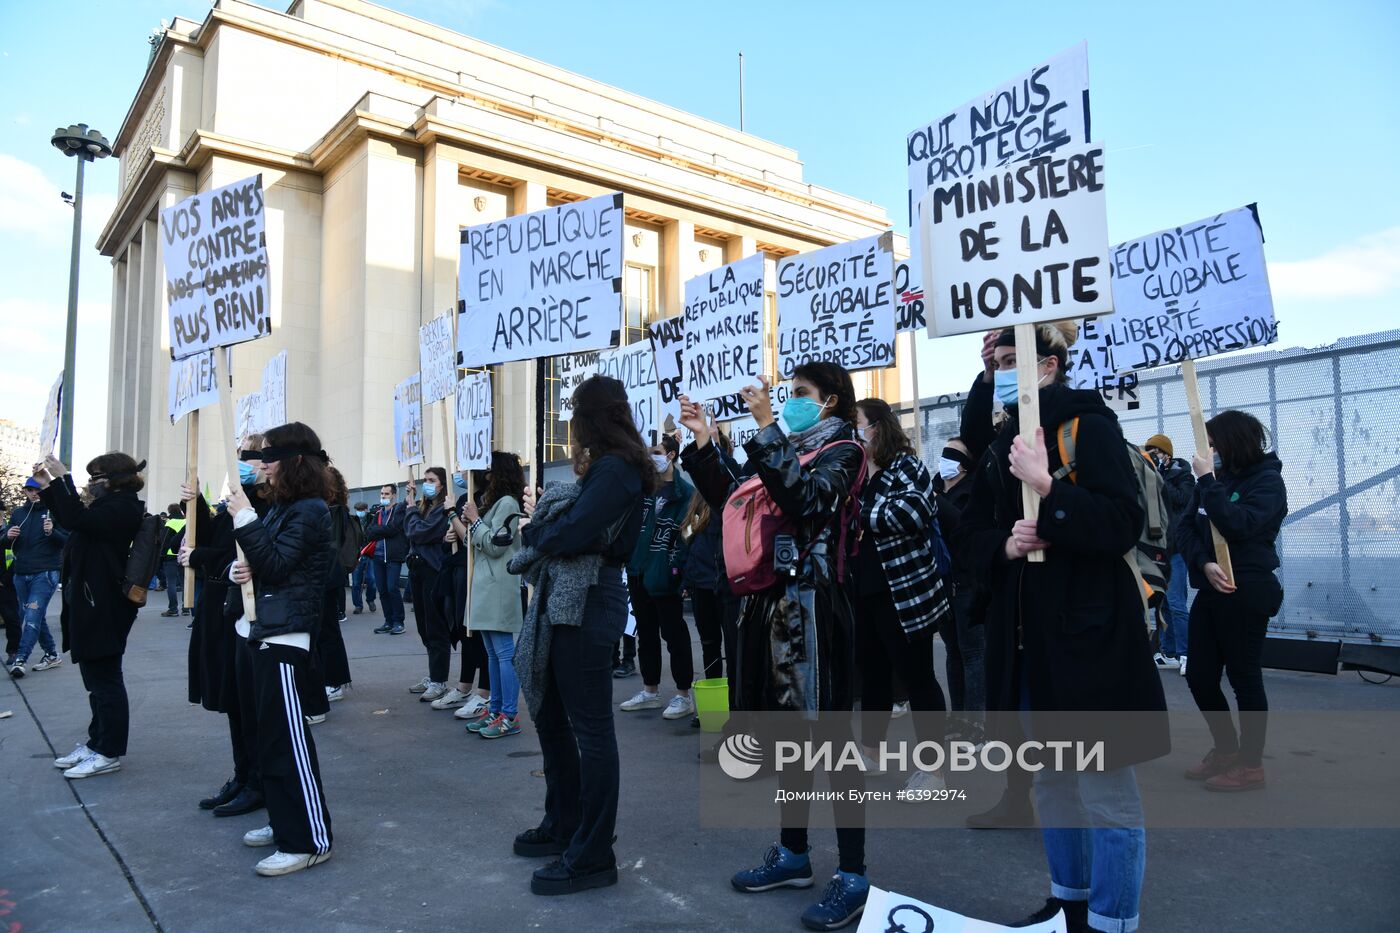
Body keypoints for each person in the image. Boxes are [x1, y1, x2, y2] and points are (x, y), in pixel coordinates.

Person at [957, 322, 1169, 933]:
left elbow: (1121, 524)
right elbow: (968, 534)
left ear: (1047, 366)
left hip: (1088, 644)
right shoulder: (1001, 445)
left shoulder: (1087, 426)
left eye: (1005, 361)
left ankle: (1112, 919)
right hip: (1026, 647)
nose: (995, 373)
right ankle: (1068, 903)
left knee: (1105, 793)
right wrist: (1006, 544)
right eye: (991, 362)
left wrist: (1048, 489)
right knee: (1051, 781)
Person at [680, 362, 872, 932]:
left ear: (832, 401)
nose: (789, 404)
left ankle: (854, 875)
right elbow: (736, 503)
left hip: (817, 610)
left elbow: (808, 500)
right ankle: (793, 854)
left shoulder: (846, 452)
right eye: (787, 397)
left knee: (831, 743)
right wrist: (705, 443)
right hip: (772, 607)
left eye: (800, 396)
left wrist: (766, 428)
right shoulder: (786, 449)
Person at [510, 374, 647, 897]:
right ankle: (565, 823)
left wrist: (534, 533)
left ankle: (592, 853)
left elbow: (575, 533)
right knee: (552, 716)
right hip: (575, 598)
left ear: (589, 419)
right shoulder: (609, 467)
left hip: (591, 600)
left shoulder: (617, 468)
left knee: (589, 730)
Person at [227, 421, 335, 877]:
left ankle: (309, 838)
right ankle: (284, 818)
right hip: (264, 630)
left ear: (293, 462)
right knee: (268, 739)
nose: (260, 465)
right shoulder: (284, 507)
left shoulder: (310, 509)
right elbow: (266, 564)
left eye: (269, 458)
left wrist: (244, 518)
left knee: (286, 742)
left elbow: (275, 563)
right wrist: (241, 569)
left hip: (285, 636)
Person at [1178, 410, 1287, 793]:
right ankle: (1225, 748)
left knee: (1244, 677)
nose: (1208, 450)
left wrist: (1207, 479)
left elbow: (1238, 523)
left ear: (1232, 442)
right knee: (1199, 675)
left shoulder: (1267, 482)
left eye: (1212, 443)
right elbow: (1185, 528)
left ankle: (1251, 765)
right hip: (1212, 590)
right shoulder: (1214, 481)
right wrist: (1204, 563)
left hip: (1247, 591)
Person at [852, 397, 952, 798]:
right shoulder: (854, 472)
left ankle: (935, 771)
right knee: (873, 678)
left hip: (904, 593)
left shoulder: (905, 465)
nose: (852, 432)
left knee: (918, 679)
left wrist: (858, 515)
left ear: (876, 426)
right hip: (863, 592)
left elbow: (912, 513)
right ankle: (872, 755)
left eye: (856, 423)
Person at [33, 452, 145, 780]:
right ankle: (97, 742)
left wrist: (61, 479)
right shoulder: (111, 505)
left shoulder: (123, 507)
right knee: (95, 679)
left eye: (96, 478)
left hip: (105, 604)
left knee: (105, 679)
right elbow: (73, 519)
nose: (92, 484)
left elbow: (75, 519)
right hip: (91, 601)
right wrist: (50, 485)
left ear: (116, 479)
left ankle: (108, 751)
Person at [619, 434, 696, 721]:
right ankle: (650, 691)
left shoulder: (684, 493)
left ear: (672, 455)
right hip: (639, 571)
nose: (652, 456)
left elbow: (688, 533)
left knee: (674, 635)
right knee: (646, 635)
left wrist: (675, 567)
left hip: (664, 576)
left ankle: (683, 695)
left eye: (657, 451)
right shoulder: (644, 490)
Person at [449, 451, 525, 738]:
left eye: (488, 470)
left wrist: (476, 520)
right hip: (485, 584)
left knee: (503, 652)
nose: (483, 475)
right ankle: (496, 710)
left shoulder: (507, 503)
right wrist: (469, 526)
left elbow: (495, 544)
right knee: (492, 653)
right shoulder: (494, 503)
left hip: (498, 585)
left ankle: (509, 714)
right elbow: (476, 541)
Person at [681, 431, 741, 709]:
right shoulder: (697, 499)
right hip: (701, 582)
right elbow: (688, 536)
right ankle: (713, 703)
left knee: (732, 645)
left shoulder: (731, 493)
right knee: (708, 644)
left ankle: (734, 703)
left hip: (722, 581)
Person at [933, 437, 987, 734]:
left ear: (966, 465)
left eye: (952, 454)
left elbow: (965, 530)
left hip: (967, 583)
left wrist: (936, 501)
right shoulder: (937, 491)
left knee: (972, 652)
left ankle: (977, 721)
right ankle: (959, 715)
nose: (944, 460)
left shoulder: (974, 493)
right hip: (943, 583)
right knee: (954, 652)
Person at [432, 472, 493, 718]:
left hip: (477, 572)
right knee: (463, 629)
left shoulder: (486, 500)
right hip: (457, 571)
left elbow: (470, 538)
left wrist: (453, 517)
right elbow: (456, 536)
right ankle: (464, 687)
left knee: (479, 634)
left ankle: (485, 693)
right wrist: (449, 535)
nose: (460, 474)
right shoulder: (464, 499)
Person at [4, 477, 69, 676]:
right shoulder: (18, 513)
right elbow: (5, 544)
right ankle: (51, 654)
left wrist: (52, 532)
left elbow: (68, 541)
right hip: (21, 573)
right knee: (36, 616)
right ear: (25, 491)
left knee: (31, 616)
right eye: (30, 490)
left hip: (46, 572)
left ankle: (21, 659)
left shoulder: (54, 512)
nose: (34, 493)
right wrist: (8, 536)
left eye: (38, 490)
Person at [1143, 434, 1195, 673]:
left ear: (1168, 454)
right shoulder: (1152, 474)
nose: (1155, 455)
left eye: (1158, 451)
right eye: (1151, 451)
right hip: (1158, 550)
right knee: (1162, 604)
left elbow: (1184, 500)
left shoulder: (1183, 474)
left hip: (1177, 548)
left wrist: (1161, 479)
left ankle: (1186, 653)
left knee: (1176, 602)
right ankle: (1169, 652)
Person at [405, 467, 452, 701]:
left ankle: (439, 680)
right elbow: (412, 531)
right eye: (425, 480)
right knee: (424, 626)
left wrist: (411, 508)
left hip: (433, 570)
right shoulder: (426, 507)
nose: (427, 484)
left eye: (432, 480)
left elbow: (418, 532)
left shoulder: (443, 509)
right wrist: (413, 505)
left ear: (443, 484)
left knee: (435, 627)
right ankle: (434, 675)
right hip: (418, 569)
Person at [319, 467, 355, 705]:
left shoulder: (333, 512)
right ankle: (331, 679)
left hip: (326, 577)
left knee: (327, 631)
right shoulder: (333, 510)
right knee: (326, 630)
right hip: (327, 576)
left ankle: (333, 681)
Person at [367, 484, 407, 636]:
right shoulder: (378, 513)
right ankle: (388, 621)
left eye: (386, 493)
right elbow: (369, 532)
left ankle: (399, 622)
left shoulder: (398, 510)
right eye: (382, 493)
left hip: (392, 556)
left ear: (394, 495)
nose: (383, 496)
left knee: (392, 588)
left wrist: (379, 531)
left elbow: (393, 529)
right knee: (382, 590)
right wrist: (382, 531)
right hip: (377, 556)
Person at [349, 501, 378, 615]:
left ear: (366, 509)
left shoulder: (372, 519)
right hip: (357, 554)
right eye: (358, 510)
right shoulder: (353, 521)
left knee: (371, 580)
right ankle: (358, 605)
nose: (360, 512)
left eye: (362, 510)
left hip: (369, 552)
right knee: (356, 582)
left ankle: (370, 600)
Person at [160, 502, 188, 618]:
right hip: (184, 554)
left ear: (170, 511)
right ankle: (186, 608)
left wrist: (161, 556)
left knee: (170, 583)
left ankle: (173, 609)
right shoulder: (186, 521)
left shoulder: (170, 523)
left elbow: (165, 541)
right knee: (184, 583)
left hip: (170, 555)